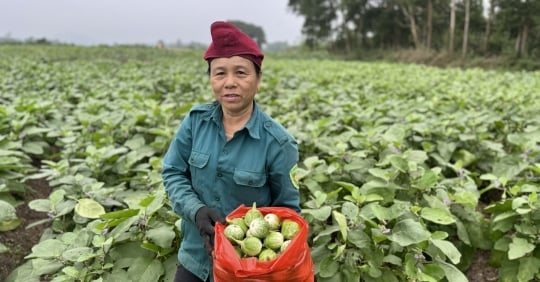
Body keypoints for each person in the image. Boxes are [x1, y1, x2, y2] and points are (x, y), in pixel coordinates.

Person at [161, 21, 301, 282]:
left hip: (246, 270)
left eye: (241, 73)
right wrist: (196, 210)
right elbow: (173, 173)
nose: (230, 83)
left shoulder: (279, 143)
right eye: (220, 73)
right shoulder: (194, 123)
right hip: (194, 260)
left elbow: (287, 213)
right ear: (211, 79)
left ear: (258, 79)